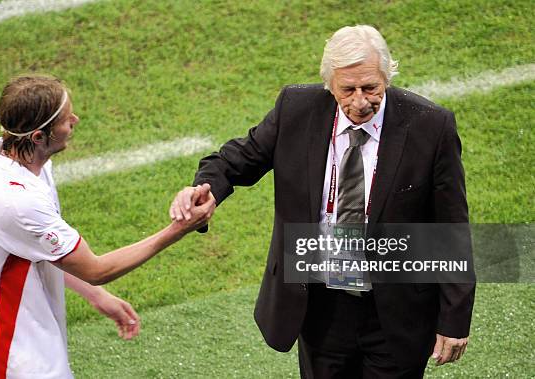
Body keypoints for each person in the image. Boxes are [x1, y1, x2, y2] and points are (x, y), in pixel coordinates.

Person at [170, 25, 475, 378]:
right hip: (320, 310)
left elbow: (451, 226)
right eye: (348, 89)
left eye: (371, 87)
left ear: (387, 75)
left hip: (396, 311)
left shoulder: (431, 126)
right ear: (329, 84)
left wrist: (454, 317)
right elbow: (235, 159)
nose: (361, 101)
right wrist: (203, 189)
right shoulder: (296, 109)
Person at [0, 75, 215, 379]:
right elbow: (96, 269)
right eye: (65, 119)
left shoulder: (16, 160)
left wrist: (96, 295)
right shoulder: (17, 201)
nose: (75, 120)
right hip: (14, 355)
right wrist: (178, 230)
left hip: (24, 334)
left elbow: (42, 251)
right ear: (38, 136)